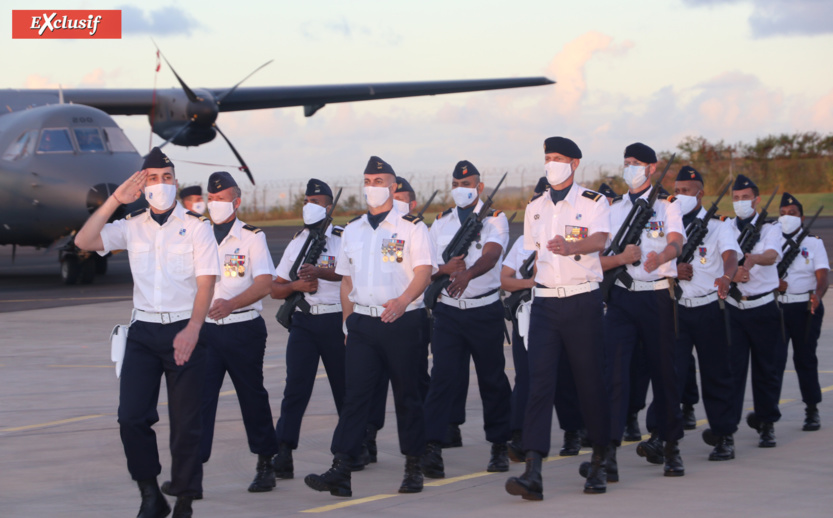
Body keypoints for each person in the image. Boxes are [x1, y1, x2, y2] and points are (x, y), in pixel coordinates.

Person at [74, 147, 220, 518]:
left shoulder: (197, 227)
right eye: (152, 178)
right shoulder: (132, 225)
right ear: (141, 185)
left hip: (184, 329)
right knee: (131, 417)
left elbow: (206, 285)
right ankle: (150, 494)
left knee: (186, 423)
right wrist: (114, 202)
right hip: (142, 332)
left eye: (167, 178)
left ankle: (185, 500)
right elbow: (84, 242)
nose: (160, 185)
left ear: (175, 182)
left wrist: (193, 328)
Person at [304, 156, 436, 497]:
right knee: (355, 398)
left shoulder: (412, 227)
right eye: (368, 180)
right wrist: (348, 322)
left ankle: (413, 466)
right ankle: (342, 469)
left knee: (407, 395)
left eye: (379, 181)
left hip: (403, 320)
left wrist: (404, 300)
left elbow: (423, 272)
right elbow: (347, 281)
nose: (372, 187)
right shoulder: (353, 229)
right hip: (363, 321)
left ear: (393, 187)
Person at [505, 136, 611, 500]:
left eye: (559, 158)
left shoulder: (594, 201)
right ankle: (533, 470)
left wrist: (571, 247)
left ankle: (599, 460)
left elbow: (600, 240)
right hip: (546, 304)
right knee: (538, 385)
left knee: (589, 383)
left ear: (574, 163)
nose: (551, 164)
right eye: (548, 158)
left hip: (582, 301)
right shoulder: (535, 207)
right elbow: (531, 253)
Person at [184, 171, 278, 495]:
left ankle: (266, 462)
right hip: (206, 333)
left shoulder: (252, 237)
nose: (215, 204)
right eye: (212, 199)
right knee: (199, 401)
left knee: (252, 397)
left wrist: (231, 304)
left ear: (236, 202)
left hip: (243, 330)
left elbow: (265, 283)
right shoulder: (198, 234)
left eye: (222, 200)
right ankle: (192, 470)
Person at [421, 160, 512, 479]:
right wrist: (444, 271)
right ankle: (432, 446)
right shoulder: (441, 222)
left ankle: (500, 444)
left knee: (492, 378)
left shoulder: (495, 220)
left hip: (484, 310)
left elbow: (491, 254)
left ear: (480, 187)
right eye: (457, 184)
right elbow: (428, 264)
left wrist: (467, 274)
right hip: (447, 312)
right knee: (442, 378)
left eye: (468, 184)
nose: (462, 189)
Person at [600, 142, 685, 478]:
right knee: (614, 376)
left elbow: (677, 240)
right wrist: (621, 260)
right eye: (626, 162)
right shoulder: (613, 208)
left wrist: (662, 256)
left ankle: (669, 445)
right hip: (622, 297)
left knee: (664, 372)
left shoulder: (667, 206)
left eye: (636, 163)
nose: (630, 168)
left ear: (652, 168)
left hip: (656, 296)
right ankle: (607, 452)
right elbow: (599, 257)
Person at [649, 166, 740, 460]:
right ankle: (661, 437)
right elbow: (655, 259)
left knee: (717, 374)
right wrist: (674, 271)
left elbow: (730, 255)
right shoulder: (665, 222)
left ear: (700, 194)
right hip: (675, 308)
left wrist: (727, 276)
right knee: (668, 375)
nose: (680, 196)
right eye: (676, 191)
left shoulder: (719, 225)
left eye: (686, 191)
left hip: (708, 308)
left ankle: (724, 436)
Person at [271, 179, 347, 479]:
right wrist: (296, 286)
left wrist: (320, 272)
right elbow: (276, 288)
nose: (310, 206)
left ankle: (353, 447)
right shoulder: (297, 241)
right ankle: (284, 451)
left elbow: (349, 274)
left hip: (334, 320)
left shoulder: (343, 238)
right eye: (307, 200)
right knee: (295, 389)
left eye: (316, 201)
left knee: (345, 389)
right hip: (303, 322)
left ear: (329, 207)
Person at [364, 177, 435, 464]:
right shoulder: (371, 229)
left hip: (409, 319)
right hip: (374, 318)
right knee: (370, 387)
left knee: (412, 388)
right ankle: (366, 439)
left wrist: (404, 301)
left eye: (405, 199)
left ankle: (424, 448)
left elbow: (428, 270)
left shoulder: (417, 230)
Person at [726, 174, 784, 447]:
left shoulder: (771, 228)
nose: (741, 203)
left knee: (766, 369)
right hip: (733, 310)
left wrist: (751, 260)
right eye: (736, 198)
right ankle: (727, 428)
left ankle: (766, 422)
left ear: (757, 200)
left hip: (762, 308)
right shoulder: (724, 227)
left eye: (745, 198)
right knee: (732, 371)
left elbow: (772, 255)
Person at [777, 193, 828, 431]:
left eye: (792, 214)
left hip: (805, 307)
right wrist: (774, 283)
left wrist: (817, 294)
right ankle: (768, 414)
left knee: (805, 359)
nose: (787, 218)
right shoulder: (771, 240)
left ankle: (812, 409)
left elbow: (822, 277)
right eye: (783, 214)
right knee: (773, 362)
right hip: (777, 307)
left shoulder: (813, 243)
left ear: (802, 217)